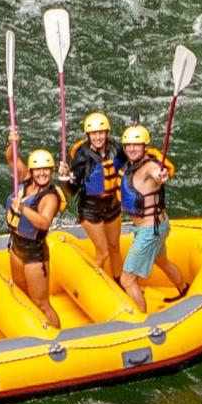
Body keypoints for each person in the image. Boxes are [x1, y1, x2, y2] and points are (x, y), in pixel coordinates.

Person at [2, 137, 64, 320]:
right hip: (16, 246)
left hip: (34, 253)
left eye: (46, 169)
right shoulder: (26, 179)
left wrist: (22, 208)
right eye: (38, 169)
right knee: (21, 295)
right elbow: (11, 157)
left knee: (42, 303)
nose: (42, 173)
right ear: (31, 170)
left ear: (51, 171)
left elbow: (44, 222)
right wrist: (13, 143)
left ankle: (57, 333)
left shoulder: (50, 197)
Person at [66, 112, 128, 288]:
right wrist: (66, 178)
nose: (98, 137)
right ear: (88, 135)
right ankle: (88, 286)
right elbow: (71, 191)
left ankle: (119, 283)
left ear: (107, 133)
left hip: (112, 205)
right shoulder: (82, 156)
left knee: (115, 247)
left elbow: (129, 164)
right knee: (103, 252)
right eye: (94, 134)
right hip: (90, 209)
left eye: (101, 133)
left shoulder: (116, 149)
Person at [119, 121, 175, 304]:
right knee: (162, 261)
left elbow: (158, 173)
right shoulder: (130, 165)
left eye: (136, 145)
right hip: (155, 227)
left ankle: (141, 319)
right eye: (128, 145)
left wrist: (161, 175)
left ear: (145, 147)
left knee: (127, 280)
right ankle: (183, 288)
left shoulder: (148, 167)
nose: (132, 149)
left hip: (150, 231)